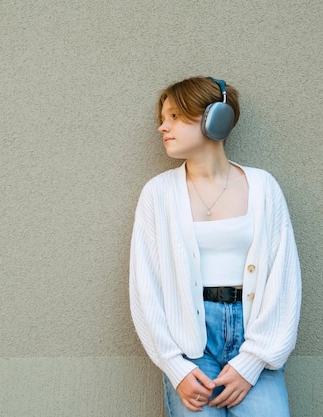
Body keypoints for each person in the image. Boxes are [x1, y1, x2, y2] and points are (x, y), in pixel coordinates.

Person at [129, 76, 301, 416]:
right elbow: (145, 288)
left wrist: (251, 362)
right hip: (190, 348)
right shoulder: (158, 194)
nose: (163, 127)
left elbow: (284, 282)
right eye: (162, 119)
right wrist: (174, 367)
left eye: (175, 116)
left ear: (215, 118)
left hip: (256, 339)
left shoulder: (264, 188)